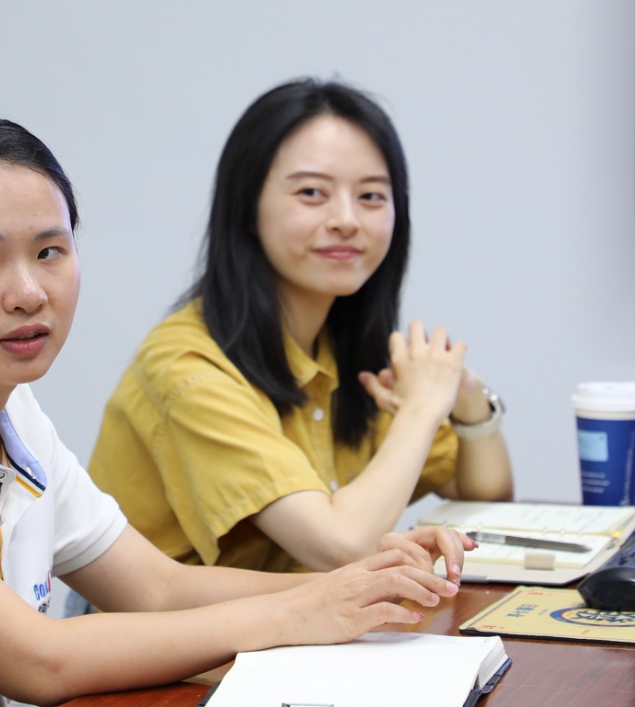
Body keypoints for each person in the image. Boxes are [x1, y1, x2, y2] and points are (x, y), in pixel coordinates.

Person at [0, 112, 475, 707]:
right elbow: (38, 660)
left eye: (50, 251)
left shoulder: (13, 411)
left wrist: (358, 585)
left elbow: (157, 586)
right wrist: (306, 607)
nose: (28, 292)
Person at [87, 78, 514, 576]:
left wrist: (464, 396)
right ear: (248, 207)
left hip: (300, 620)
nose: (346, 220)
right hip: (165, 627)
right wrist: (422, 407)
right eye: (312, 192)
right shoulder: (187, 364)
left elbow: (485, 495)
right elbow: (340, 547)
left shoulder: (342, 346)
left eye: (372, 196)